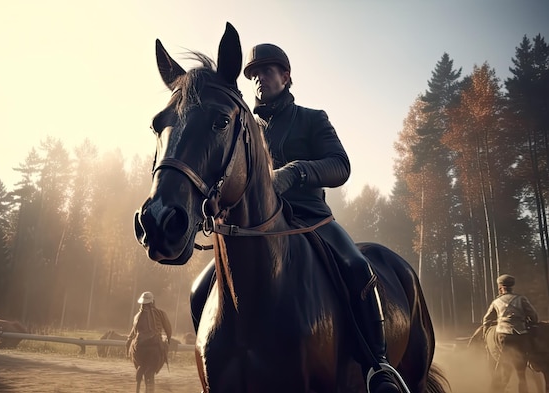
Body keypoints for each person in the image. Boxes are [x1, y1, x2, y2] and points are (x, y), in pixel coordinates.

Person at [190, 43, 402, 393]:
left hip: (311, 220)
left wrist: (296, 172)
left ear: (286, 76)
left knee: (357, 268)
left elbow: (341, 165)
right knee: (200, 290)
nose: (259, 80)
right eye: (253, 74)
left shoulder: (312, 118)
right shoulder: (244, 128)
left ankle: (377, 366)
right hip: (253, 228)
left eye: (267, 71)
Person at [482, 274, 539, 392]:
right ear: (512, 286)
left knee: (504, 364)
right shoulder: (521, 299)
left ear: (500, 287)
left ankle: (498, 388)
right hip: (521, 334)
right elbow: (533, 315)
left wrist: (485, 334)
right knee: (521, 371)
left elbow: (486, 319)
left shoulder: (496, 301)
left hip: (502, 334)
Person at [126, 291, 172, 393]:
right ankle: (151, 372)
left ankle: (140, 367)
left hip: (139, 347)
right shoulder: (161, 313)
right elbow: (168, 329)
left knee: (133, 348)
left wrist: (128, 342)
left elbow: (133, 333)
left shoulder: (137, 316)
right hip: (154, 345)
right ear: (153, 302)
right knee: (161, 350)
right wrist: (168, 340)